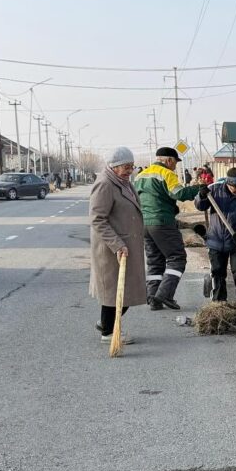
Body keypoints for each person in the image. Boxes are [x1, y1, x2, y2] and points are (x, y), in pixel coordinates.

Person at [89, 147, 147, 345]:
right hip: (113, 249)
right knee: (114, 293)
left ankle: (105, 324)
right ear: (113, 167)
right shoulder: (105, 184)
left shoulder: (123, 182)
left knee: (126, 292)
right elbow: (97, 219)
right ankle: (107, 332)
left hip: (127, 246)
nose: (129, 170)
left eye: (131, 166)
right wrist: (117, 244)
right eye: (125, 167)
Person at [135, 146, 202, 310]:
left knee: (154, 262)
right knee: (177, 258)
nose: (175, 166)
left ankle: (153, 298)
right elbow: (179, 194)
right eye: (175, 163)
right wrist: (199, 188)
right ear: (169, 160)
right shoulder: (167, 174)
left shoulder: (140, 176)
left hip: (144, 224)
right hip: (162, 222)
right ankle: (164, 295)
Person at [195, 167, 236, 306]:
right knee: (217, 272)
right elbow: (200, 206)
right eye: (235, 187)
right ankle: (219, 302)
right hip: (215, 241)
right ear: (227, 184)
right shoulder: (214, 189)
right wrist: (201, 196)